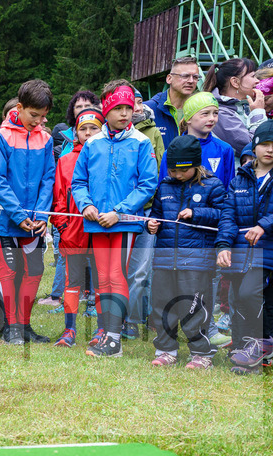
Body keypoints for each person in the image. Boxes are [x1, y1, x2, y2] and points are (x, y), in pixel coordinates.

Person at [72, 80, 160, 358]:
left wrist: (119, 211)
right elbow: (79, 181)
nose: (124, 113)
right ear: (106, 110)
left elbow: (148, 184)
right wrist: (85, 205)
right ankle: (106, 334)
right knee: (101, 278)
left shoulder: (141, 142)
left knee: (116, 274)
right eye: (118, 108)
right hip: (97, 222)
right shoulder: (93, 143)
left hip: (124, 222)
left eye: (129, 107)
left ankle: (114, 340)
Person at [146, 135, 227, 369]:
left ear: (195, 165)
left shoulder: (213, 186)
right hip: (164, 259)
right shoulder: (165, 186)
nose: (176, 175)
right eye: (171, 170)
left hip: (196, 261)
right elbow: (156, 214)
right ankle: (166, 349)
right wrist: (151, 224)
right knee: (162, 305)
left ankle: (202, 353)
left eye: (181, 171)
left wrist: (197, 213)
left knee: (194, 308)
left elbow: (225, 216)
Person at [0, 79, 56, 345]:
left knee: (35, 272)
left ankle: (25, 326)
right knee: (9, 272)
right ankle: (12, 326)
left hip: (35, 223)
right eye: (33, 115)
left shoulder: (46, 139)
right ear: (20, 107)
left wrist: (41, 215)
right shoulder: (0, 137)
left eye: (43, 117)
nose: (38, 122)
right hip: (6, 221)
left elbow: (48, 178)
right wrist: (19, 215)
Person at [215, 120, 273, 374]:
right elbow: (228, 214)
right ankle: (242, 353)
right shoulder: (240, 177)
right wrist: (224, 245)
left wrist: (263, 226)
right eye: (266, 144)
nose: (270, 150)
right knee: (236, 298)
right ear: (255, 145)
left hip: (267, 250)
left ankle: (261, 346)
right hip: (240, 251)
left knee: (250, 295)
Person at [51, 108, 103, 348]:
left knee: (102, 282)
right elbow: (59, 196)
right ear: (75, 133)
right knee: (72, 282)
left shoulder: (107, 157)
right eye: (83, 129)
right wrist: (62, 225)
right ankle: (69, 329)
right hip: (73, 232)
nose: (89, 133)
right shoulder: (66, 160)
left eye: (94, 128)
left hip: (102, 230)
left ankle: (102, 329)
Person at [158, 92, 235, 188]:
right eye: (205, 114)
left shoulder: (224, 149)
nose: (212, 118)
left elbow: (229, 189)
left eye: (215, 113)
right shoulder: (172, 151)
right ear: (189, 118)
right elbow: (164, 188)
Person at [203, 58, 266, 158]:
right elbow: (255, 148)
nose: (257, 81)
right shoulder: (220, 113)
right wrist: (258, 113)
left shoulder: (243, 107)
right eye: (253, 76)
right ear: (235, 82)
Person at [145, 56, 202, 148]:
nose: (191, 81)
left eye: (195, 77)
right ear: (169, 79)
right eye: (185, 76)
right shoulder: (148, 109)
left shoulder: (201, 110)